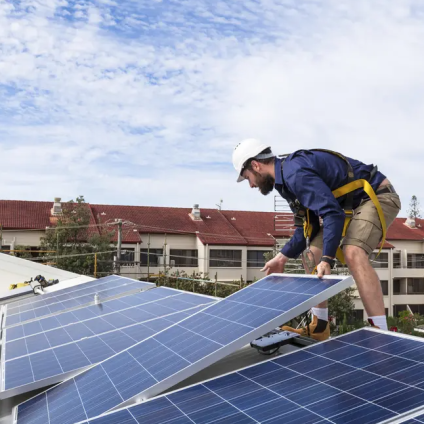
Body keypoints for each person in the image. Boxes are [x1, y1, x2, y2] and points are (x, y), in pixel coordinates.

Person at [232, 138, 401, 341]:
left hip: (377, 195)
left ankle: (381, 335)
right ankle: (319, 326)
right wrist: (281, 258)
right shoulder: (285, 181)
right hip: (346, 206)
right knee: (312, 253)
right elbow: (308, 227)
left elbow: (332, 214)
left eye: (248, 177)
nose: (251, 185)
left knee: (352, 251)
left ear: (256, 165)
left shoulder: (295, 173)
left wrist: (327, 259)